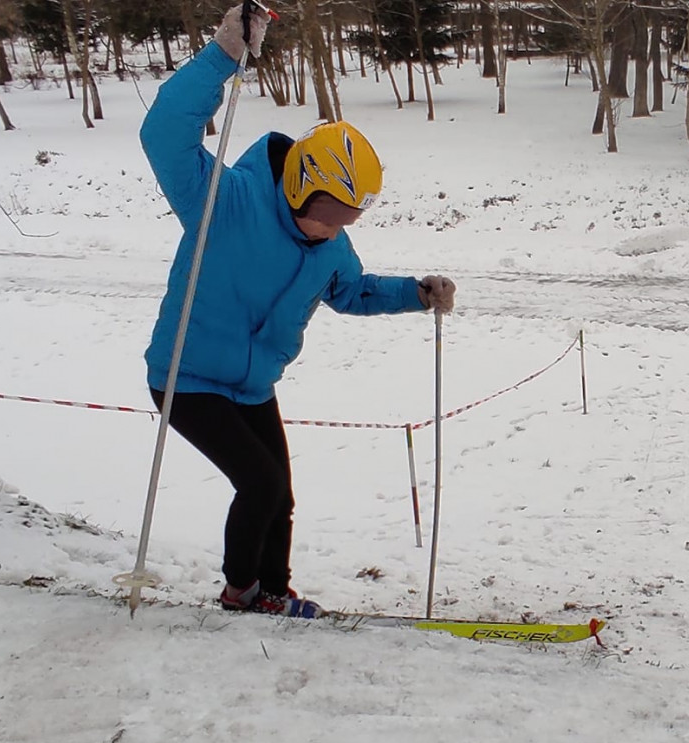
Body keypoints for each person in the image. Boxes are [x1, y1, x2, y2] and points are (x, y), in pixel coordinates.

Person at [139, 5, 456, 618]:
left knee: (278, 494)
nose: (338, 229)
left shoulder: (330, 246)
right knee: (259, 484)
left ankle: (275, 590)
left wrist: (416, 293)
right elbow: (164, 134)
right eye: (332, 212)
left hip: (253, 384)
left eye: (352, 218)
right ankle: (241, 594)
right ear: (299, 184)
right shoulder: (224, 202)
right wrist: (223, 55)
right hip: (187, 376)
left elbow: (353, 290)